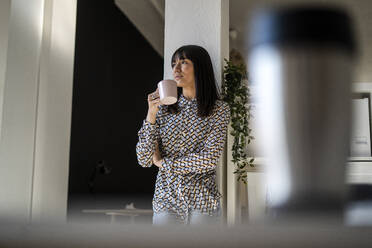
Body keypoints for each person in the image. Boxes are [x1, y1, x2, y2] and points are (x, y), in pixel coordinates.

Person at [136, 45, 230, 225]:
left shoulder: (219, 110)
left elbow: (209, 159)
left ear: (200, 67)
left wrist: (164, 163)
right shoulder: (163, 110)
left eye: (183, 62)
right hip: (166, 200)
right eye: (173, 64)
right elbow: (143, 159)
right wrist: (151, 114)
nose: (175, 69)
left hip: (203, 201)